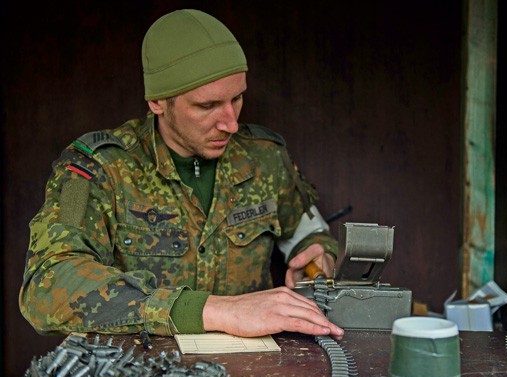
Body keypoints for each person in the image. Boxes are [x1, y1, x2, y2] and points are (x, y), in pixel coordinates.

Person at [19, 9, 343, 340]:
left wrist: (317, 254)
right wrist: (215, 311)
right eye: (207, 106)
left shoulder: (267, 158)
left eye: (238, 98)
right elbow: (49, 283)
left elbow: (306, 230)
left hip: (252, 372)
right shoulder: (91, 171)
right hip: (136, 374)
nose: (230, 123)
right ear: (158, 102)